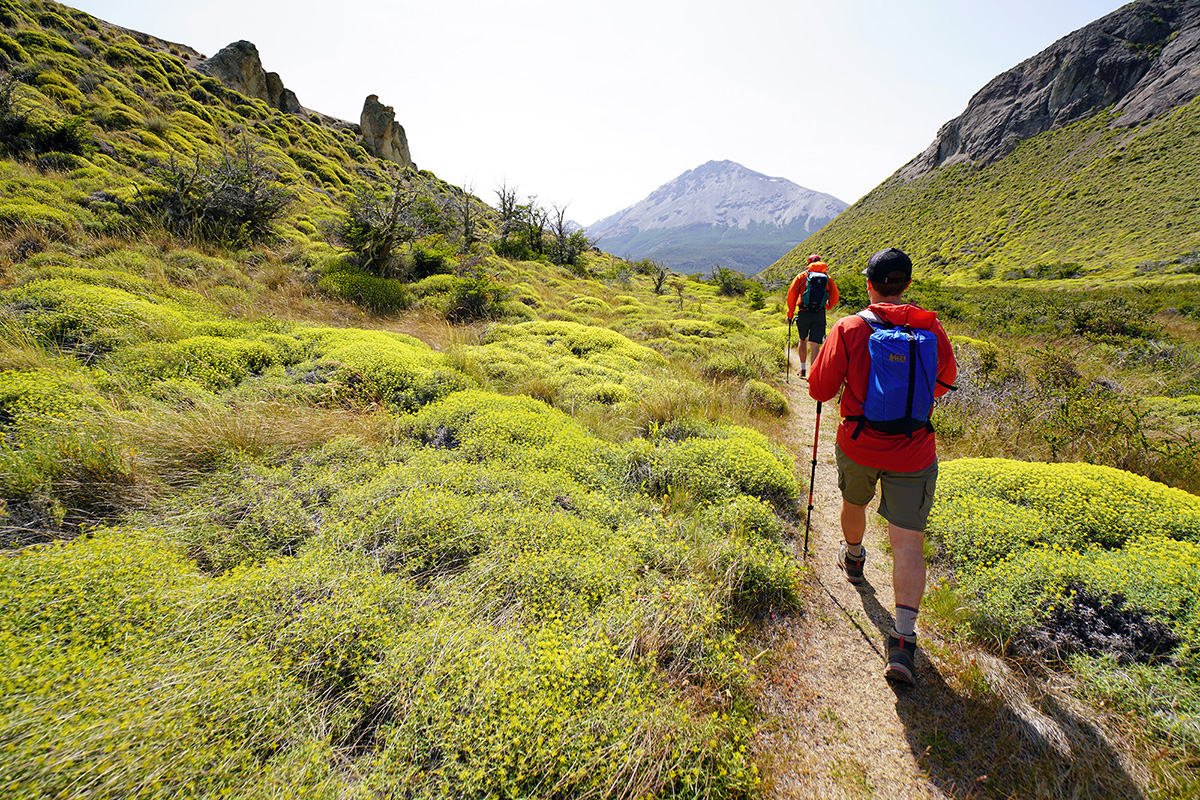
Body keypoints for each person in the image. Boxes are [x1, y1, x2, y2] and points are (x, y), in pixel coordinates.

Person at [807, 247, 957, 685]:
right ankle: (904, 640)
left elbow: (819, 389)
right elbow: (945, 380)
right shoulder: (930, 326)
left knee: (854, 501)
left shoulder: (850, 327)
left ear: (869, 284)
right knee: (908, 541)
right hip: (914, 450)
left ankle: (853, 558)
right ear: (906, 284)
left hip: (859, 443)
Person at [785, 254, 839, 380]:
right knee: (815, 345)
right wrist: (827, 306)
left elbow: (791, 296)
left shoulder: (802, 276)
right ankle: (814, 374)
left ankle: (803, 369)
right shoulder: (827, 278)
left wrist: (790, 314)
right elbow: (835, 296)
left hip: (804, 312)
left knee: (802, 340)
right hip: (819, 313)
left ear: (808, 263)